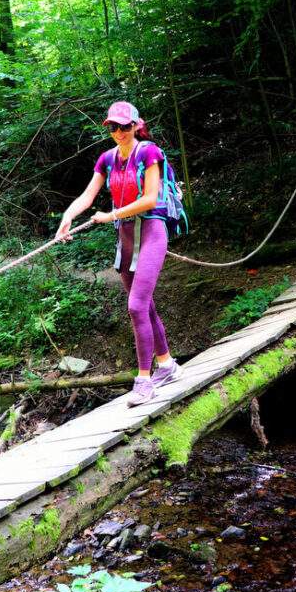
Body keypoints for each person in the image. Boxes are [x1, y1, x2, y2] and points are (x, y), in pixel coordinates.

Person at [56, 101, 182, 405]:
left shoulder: (149, 152)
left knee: (136, 306)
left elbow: (151, 199)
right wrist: (67, 217)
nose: (119, 132)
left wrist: (111, 215)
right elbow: (88, 195)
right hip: (125, 237)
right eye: (113, 127)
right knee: (145, 305)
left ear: (137, 125)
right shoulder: (106, 159)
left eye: (125, 126)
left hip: (151, 231)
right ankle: (166, 365)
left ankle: (144, 381)